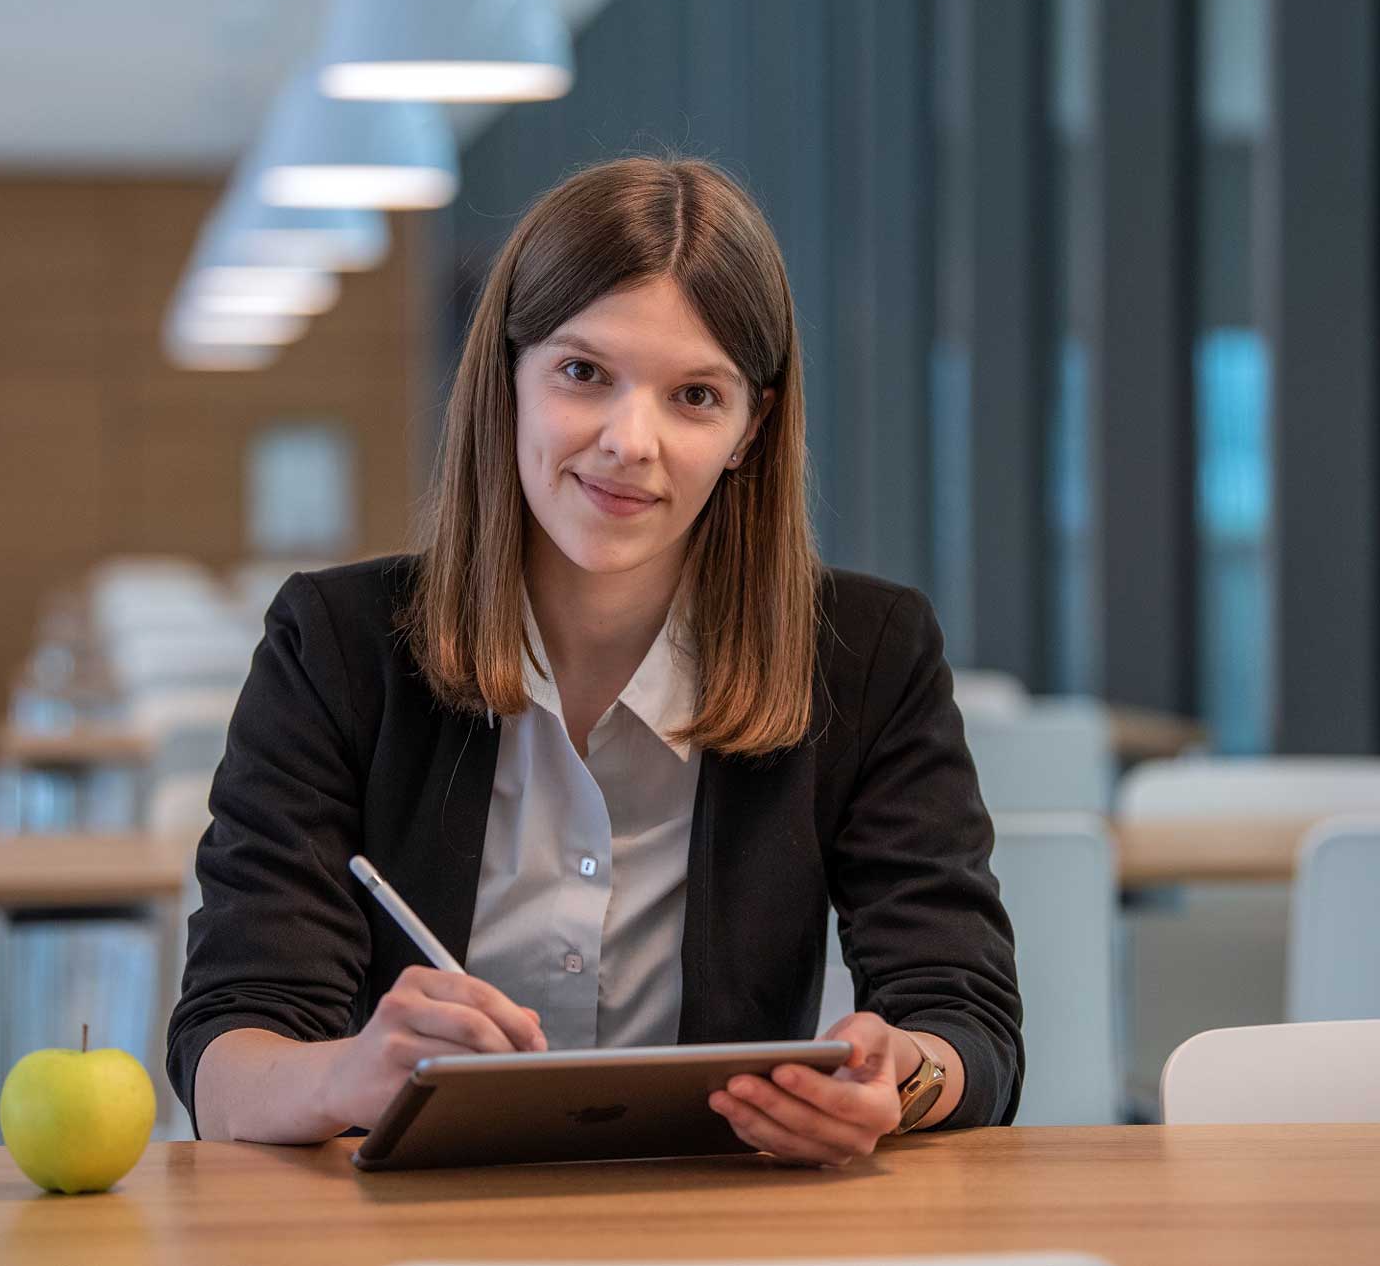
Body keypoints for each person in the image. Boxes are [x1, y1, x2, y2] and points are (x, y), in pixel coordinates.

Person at [169, 156, 1022, 1167]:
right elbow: (227, 1049)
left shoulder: (867, 656)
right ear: (510, 378)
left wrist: (903, 1079)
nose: (630, 441)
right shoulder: (337, 646)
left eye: (694, 396)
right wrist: (345, 1072)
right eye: (583, 374)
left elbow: (965, 1017)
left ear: (751, 427)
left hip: (718, 1225)